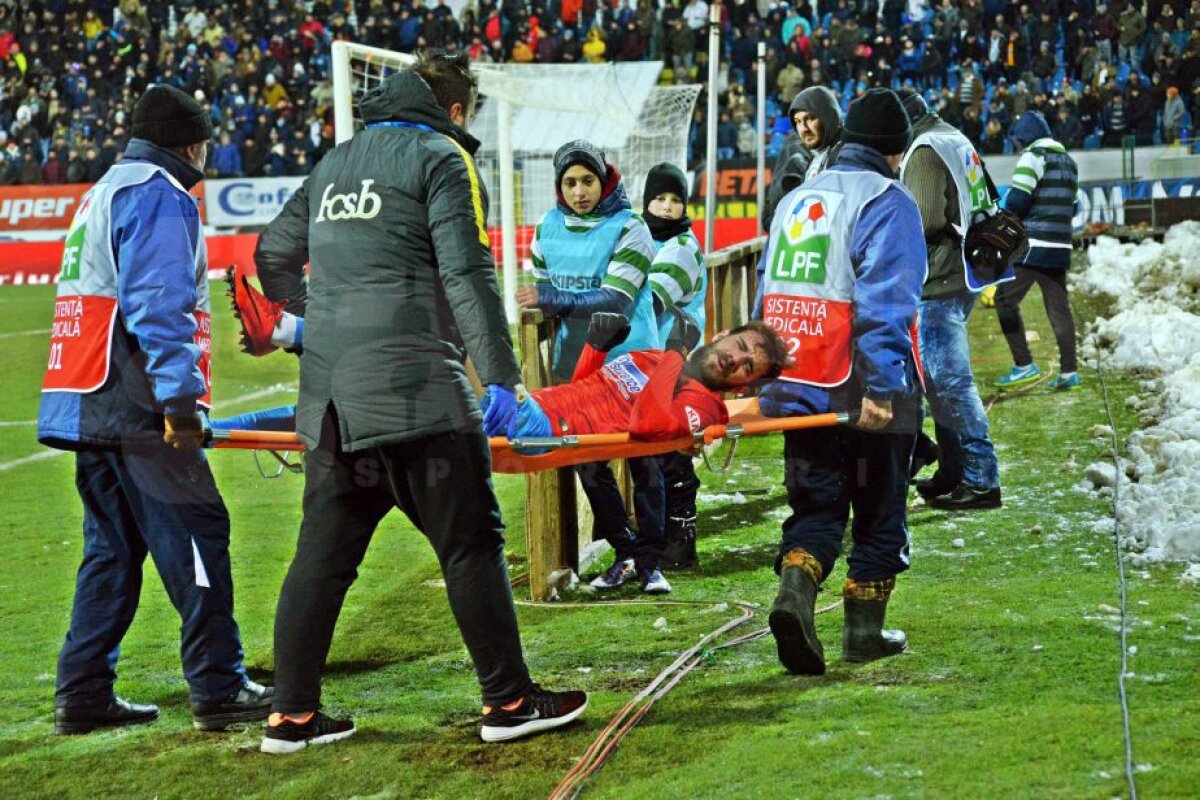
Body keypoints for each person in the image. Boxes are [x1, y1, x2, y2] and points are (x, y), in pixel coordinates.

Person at [251, 52, 585, 753]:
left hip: (332, 404)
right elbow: (466, 270)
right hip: (415, 393)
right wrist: (502, 376)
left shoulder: (334, 163)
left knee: (322, 556)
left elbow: (270, 256)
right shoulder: (440, 157)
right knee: (469, 543)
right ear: (457, 111)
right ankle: (510, 701)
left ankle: (291, 715)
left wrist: (323, 320)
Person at [37, 84, 273, 735]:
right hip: (138, 407)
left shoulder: (104, 189)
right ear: (191, 142)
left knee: (112, 551)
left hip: (87, 401)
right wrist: (177, 403)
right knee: (199, 531)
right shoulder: (160, 195)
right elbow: (158, 306)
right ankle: (220, 686)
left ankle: (82, 691)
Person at [755, 88, 926, 676]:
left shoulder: (798, 198)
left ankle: (794, 596)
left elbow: (766, 291)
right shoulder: (888, 200)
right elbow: (885, 304)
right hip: (859, 385)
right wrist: (884, 388)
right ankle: (862, 633)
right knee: (880, 509)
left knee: (817, 507)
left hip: (798, 381)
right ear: (896, 150)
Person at [514, 140, 670, 595]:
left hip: (633, 362)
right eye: (570, 182)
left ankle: (651, 563)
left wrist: (552, 299)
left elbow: (616, 300)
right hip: (577, 367)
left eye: (587, 181)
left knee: (645, 460)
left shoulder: (631, 226)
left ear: (604, 181)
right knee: (589, 464)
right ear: (559, 187)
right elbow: (545, 299)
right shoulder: (547, 226)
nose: (580, 191)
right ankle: (624, 552)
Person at [896, 89, 1004, 512]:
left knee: (950, 383)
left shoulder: (922, 150)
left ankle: (981, 478)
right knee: (938, 383)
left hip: (939, 276)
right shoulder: (952, 137)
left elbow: (919, 219)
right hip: (964, 269)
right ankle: (954, 471)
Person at [643, 163, 708, 569]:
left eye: (675, 200)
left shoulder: (683, 247)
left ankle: (681, 541)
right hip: (651, 359)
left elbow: (650, 299)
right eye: (660, 198)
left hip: (673, 357)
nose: (667, 208)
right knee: (653, 449)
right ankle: (658, 539)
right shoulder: (639, 236)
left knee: (672, 449)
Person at [993, 111, 1081, 392]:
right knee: (1059, 310)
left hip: (1033, 247)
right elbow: (1075, 206)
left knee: (1004, 300)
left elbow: (1018, 201)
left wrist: (1001, 214)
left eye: (1018, 141)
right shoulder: (1069, 162)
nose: (1018, 147)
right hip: (1060, 247)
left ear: (1027, 137)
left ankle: (1024, 364)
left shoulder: (1033, 156)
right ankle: (1070, 372)